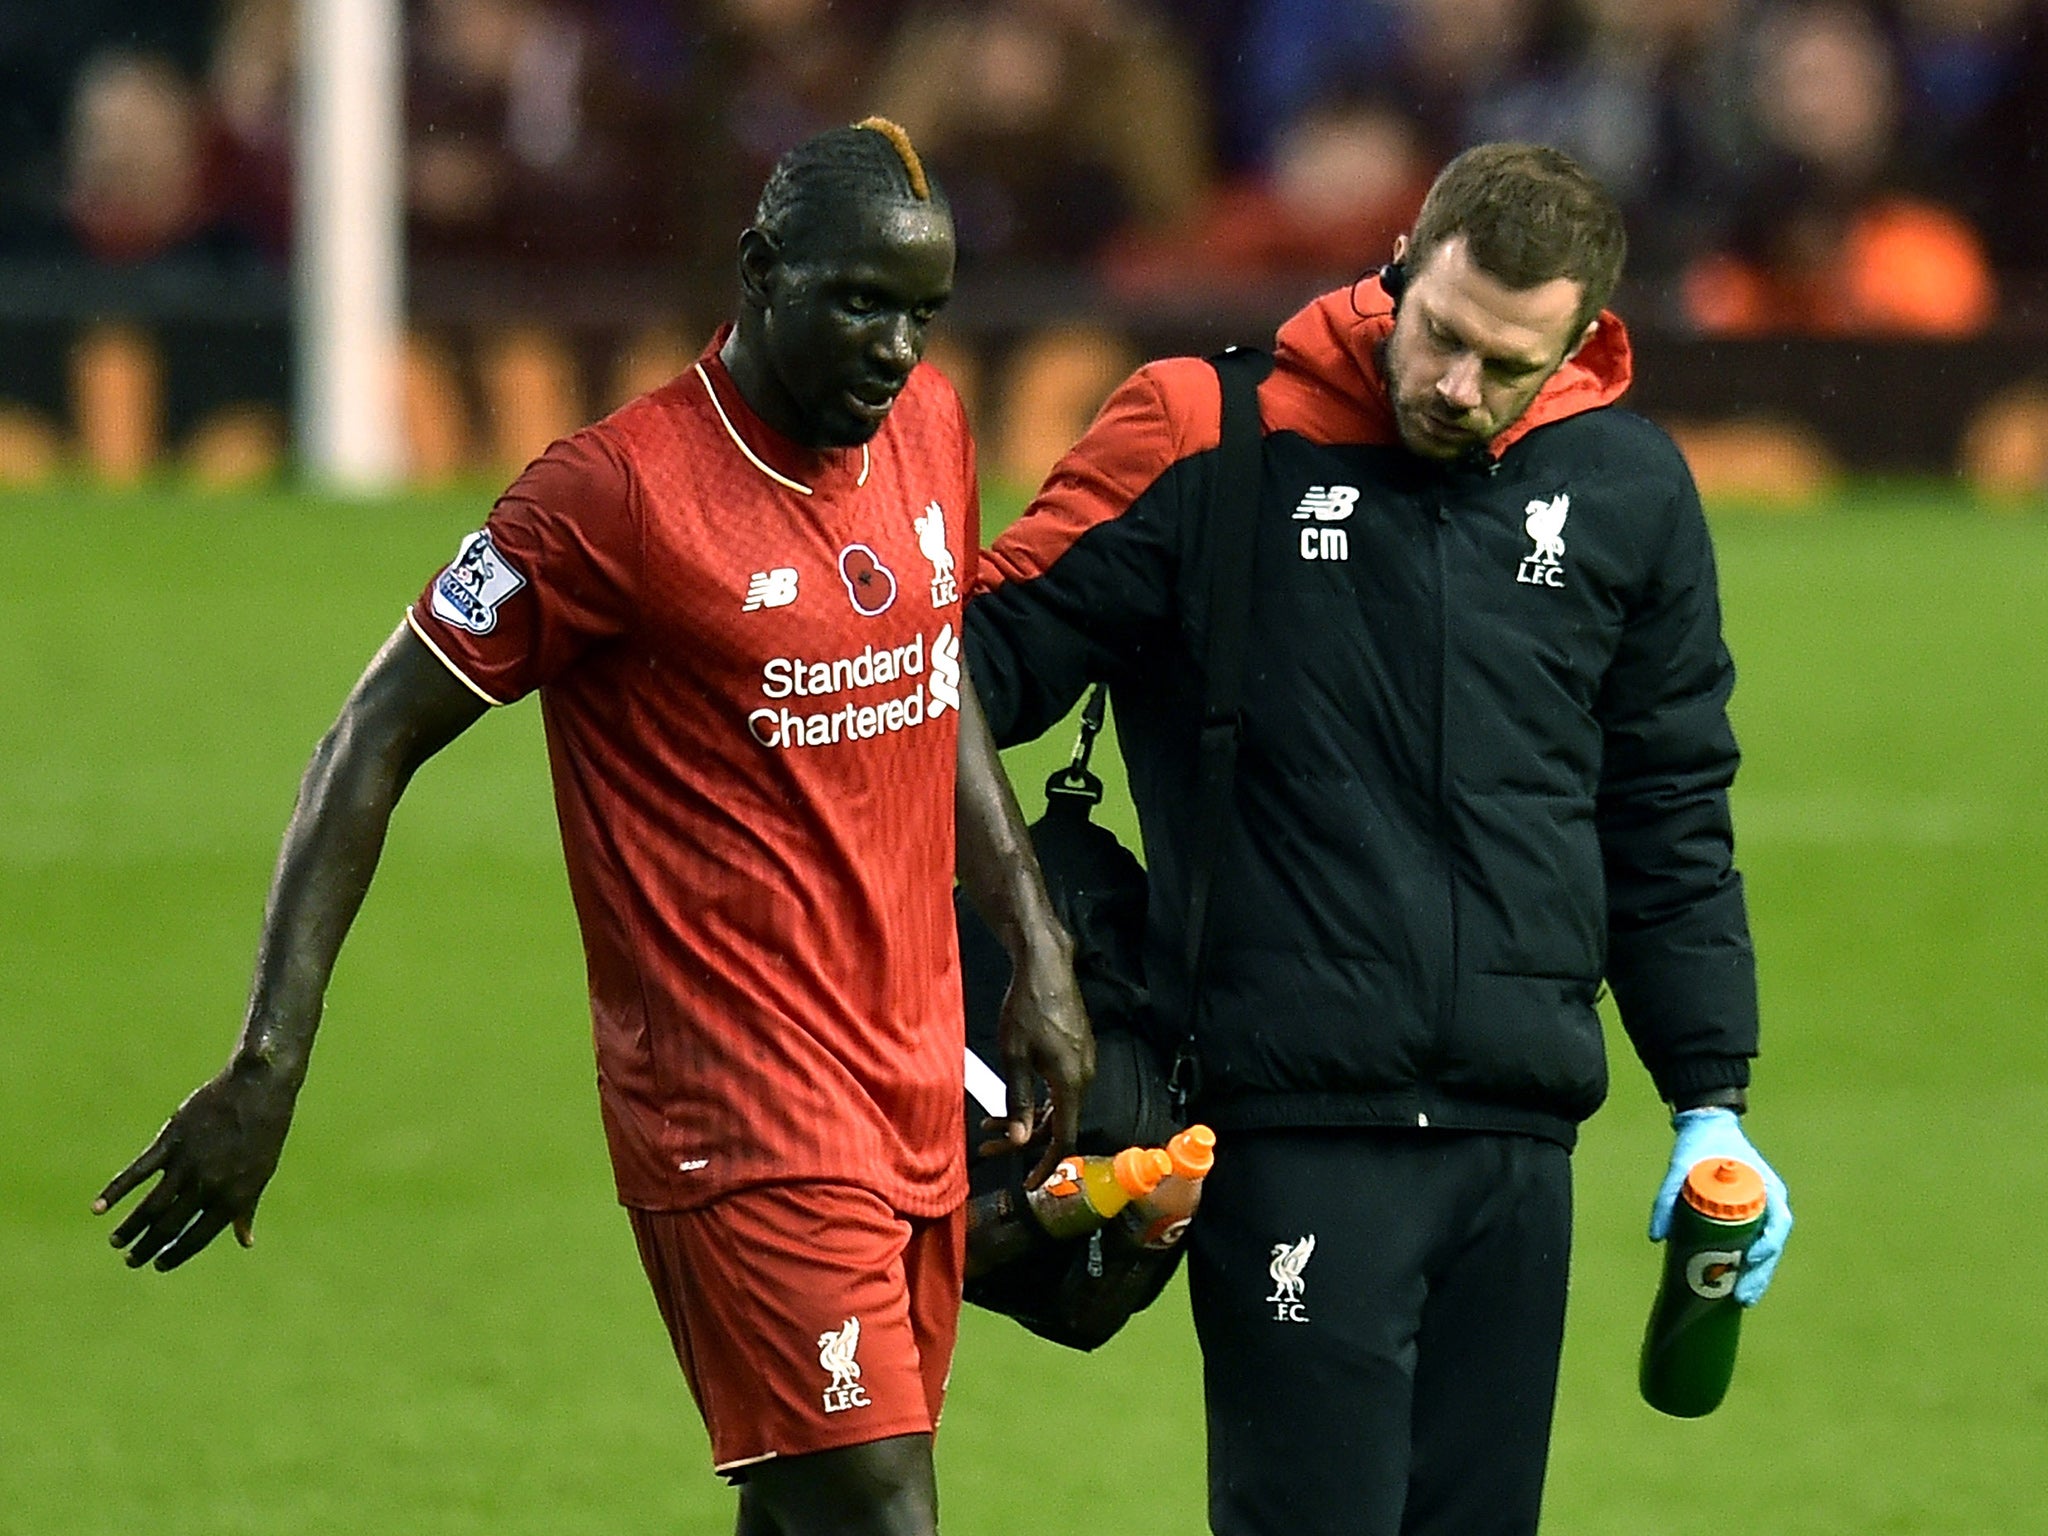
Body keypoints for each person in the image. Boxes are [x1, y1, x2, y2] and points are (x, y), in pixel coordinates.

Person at [93, 117, 1094, 1536]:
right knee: (880, 1513)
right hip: (738, 1115)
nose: (895, 349)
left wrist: (1035, 945)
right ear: (759, 271)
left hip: (913, 1080)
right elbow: (367, 740)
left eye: (922, 314)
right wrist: (268, 1058)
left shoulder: (925, 432)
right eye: (861, 303)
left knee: (809, 1509)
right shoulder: (611, 499)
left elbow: (934, 683)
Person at [964, 141, 1794, 1536]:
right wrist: (994, 946)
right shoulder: (1205, 434)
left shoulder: (1631, 492)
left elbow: (1664, 808)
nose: (1456, 389)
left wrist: (1713, 1094)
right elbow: (957, 674)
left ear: (1584, 342)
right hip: (1292, 1125)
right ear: (1403, 261)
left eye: (1506, 368)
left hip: (1516, 1142)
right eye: (1442, 337)